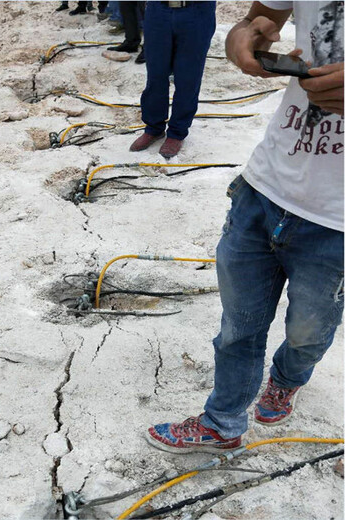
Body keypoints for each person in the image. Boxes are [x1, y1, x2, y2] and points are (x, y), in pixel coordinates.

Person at [146, 1, 344, 454]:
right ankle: (223, 422)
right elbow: (259, 21)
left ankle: (288, 378)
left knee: (307, 333)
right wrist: (242, 39)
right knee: (238, 327)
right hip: (265, 187)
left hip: (337, 222)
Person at [129, 1, 216, 158]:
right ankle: (153, 128)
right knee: (156, 74)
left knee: (188, 77)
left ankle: (177, 132)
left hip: (196, 11)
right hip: (158, 9)